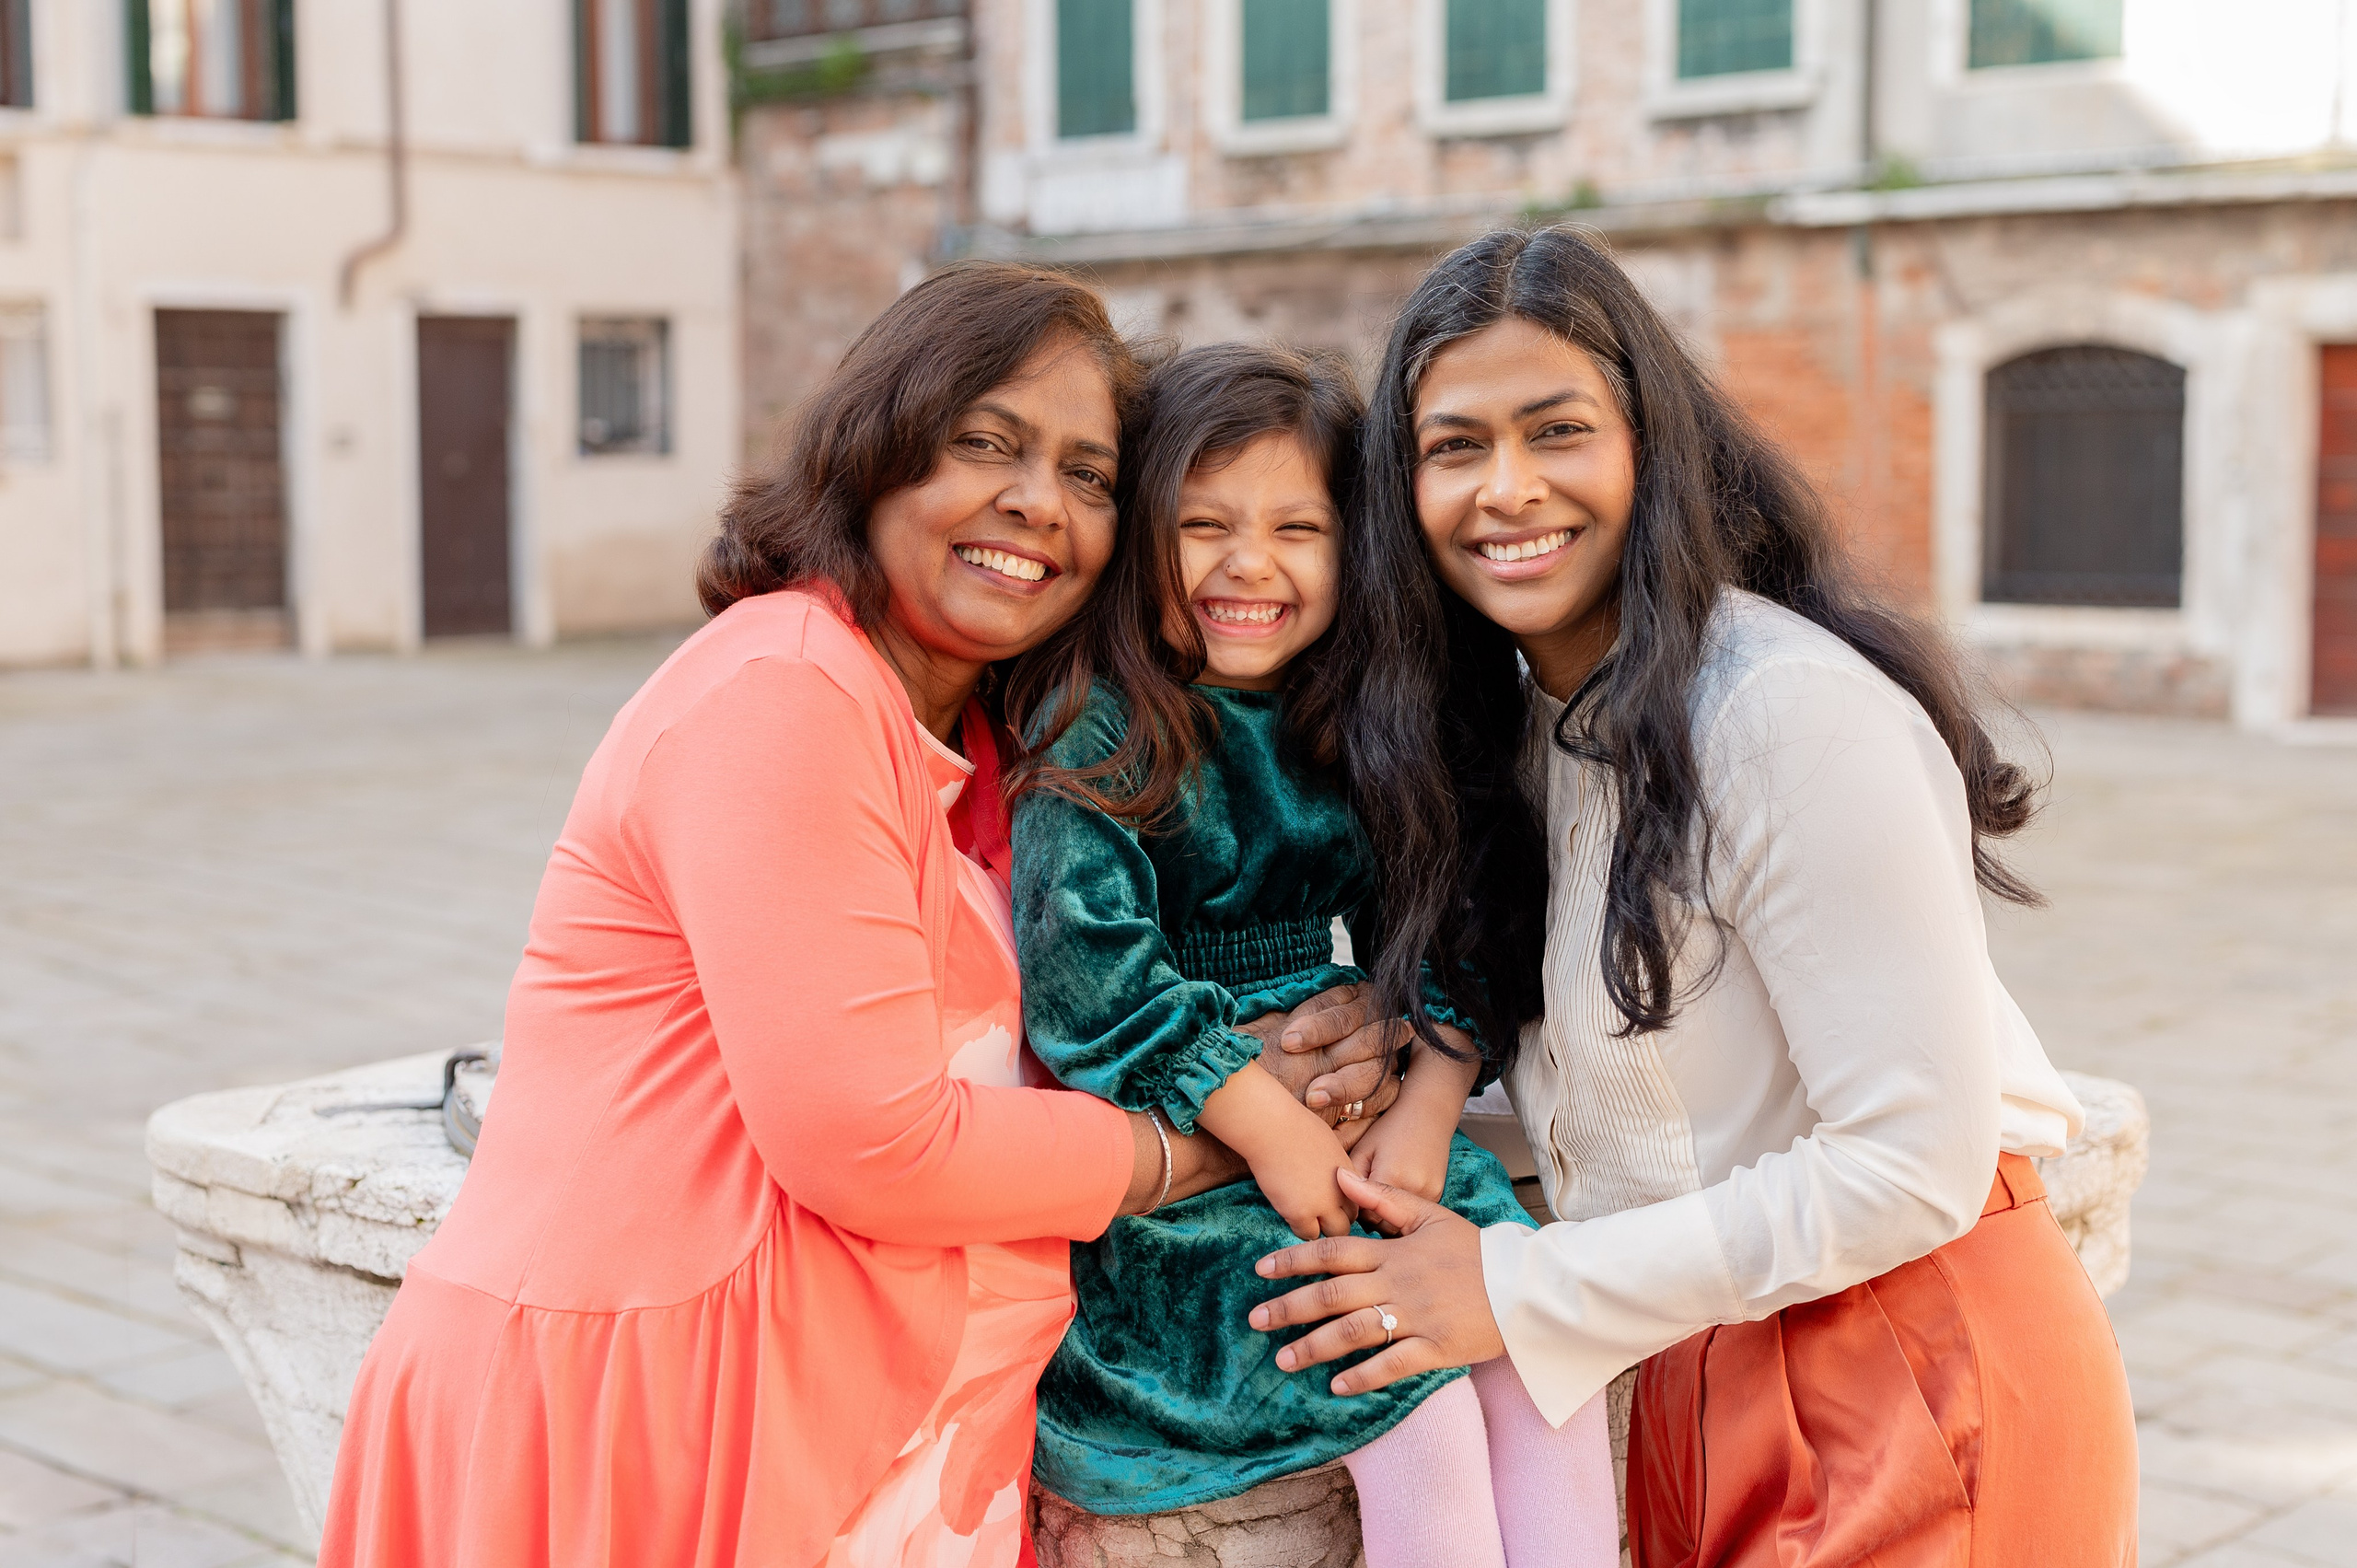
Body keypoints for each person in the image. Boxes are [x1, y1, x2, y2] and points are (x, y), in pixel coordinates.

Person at [314, 263, 1397, 1568]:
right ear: (874, 453)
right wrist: (1221, 1135)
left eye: (1090, 474)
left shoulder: (995, 738)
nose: (1038, 502)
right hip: (660, 1424)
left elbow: (1099, 1002)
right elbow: (879, 1144)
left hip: (873, 1434)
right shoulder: (783, 692)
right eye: (985, 443)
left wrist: (1339, 1021)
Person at [1247, 226, 2140, 1566]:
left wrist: (1510, 1284)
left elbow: (1913, 1162)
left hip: (1908, 1370)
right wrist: (1388, 1079)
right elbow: (1652, 1122)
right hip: (1694, 1374)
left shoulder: (1783, 710)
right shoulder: (1521, 735)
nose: (1506, 488)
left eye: (1558, 430)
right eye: (1455, 446)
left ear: (1649, 446)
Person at [1005, 343, 1615, 1568]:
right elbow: (1091, 974)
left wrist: (1429, 1108)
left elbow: (1446, 919)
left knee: (1542, 1356)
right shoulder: (1100, 722)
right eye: (1205, 526)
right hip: (1197, 1168)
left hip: (1367, 1134)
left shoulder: (1354, 715)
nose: (1251, 564)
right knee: (1412, 1400)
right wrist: (1272, 1129)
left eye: (1298, 529)